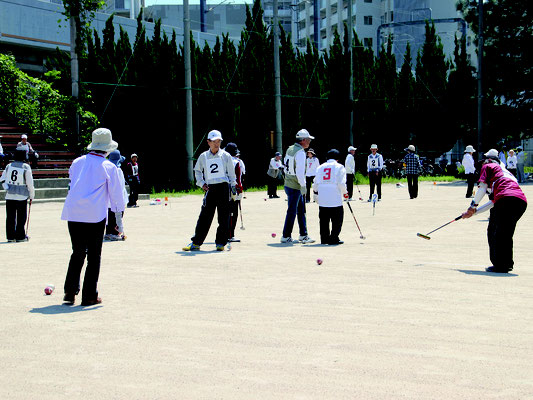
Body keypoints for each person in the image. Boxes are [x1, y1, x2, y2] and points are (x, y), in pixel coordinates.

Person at [61, 128, 125, 306]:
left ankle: (69, 292)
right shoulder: (109, 166)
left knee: (78, 252)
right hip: (94, 215)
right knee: (94, 256)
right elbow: (116, 196)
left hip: (73, 213)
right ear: (107, 149)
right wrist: (119, 222)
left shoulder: (77, 162)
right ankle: (89, 295)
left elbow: (73, 183)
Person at [462, 149, 527, 273]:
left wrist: (472, 206)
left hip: (505, 200)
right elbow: (493, 203)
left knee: (495, 231)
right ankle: (506, 264)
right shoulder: (506, 173)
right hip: (520, 202)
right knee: (506, 233)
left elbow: (482, 188)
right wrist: (474, 212)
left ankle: (500, 265)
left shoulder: (489, 166)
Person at [183, 130, 237, 251]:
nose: (216, 144)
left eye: (219, 141)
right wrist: (201, 183)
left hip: (224, 187)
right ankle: (196, 242)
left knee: (224, 217)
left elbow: (231, 174)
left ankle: (220, 243)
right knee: (204, 216)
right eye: (214, 141)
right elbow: (197, 171)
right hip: (211, 188)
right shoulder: (203, 156)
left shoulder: (226, 156)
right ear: (208, 142)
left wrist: (233, 188)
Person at [280, 129, 315, 244]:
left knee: (300, 210)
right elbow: (300, 172)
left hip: (289, 183)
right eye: (308, 140)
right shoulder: (300, 153)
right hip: (296, 185)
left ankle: (303, 234)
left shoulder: (290, 149)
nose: (309, 142)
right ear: (303, 140)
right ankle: (286, 235)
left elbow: (285, 165)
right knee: (293, 211)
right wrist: (303, 185)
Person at [312, 149, 347, 245]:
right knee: (337, 220)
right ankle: (334, 238)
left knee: (323, 220)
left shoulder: (320, 167)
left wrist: (315, 194)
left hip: (323, 197)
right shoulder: (340, 167)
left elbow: (315, 183)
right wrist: (345, 193)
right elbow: (341, 183)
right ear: (338, 159)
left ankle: (324, 238)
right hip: (335, 197)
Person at [0, 149, 35, 242]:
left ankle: (10, 237)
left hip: (10, 195)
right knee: (21, 217)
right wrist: (32, 195)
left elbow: (2, 179)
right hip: (22, 196)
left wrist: (7, 188)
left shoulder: (9, 166)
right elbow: (30, 183)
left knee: (10, 217)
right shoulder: (26, 167)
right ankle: (20, 236)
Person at [105, 150, 128, 241]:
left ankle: (108, 232)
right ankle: (115, 232)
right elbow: (121, 187)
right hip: (118, 198)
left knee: (110, 215)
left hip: (109, 199)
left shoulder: (107, 169)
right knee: (117, 216)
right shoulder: (118, 170)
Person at [225, 142, 243, 243]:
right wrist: (239, 189)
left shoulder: (222, 160)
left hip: (223, 189)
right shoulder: (236, 162)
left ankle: (225, 233)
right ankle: (230, 235)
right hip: (233, 189)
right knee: (233, 212)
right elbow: (238, 178)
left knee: (225, 212)